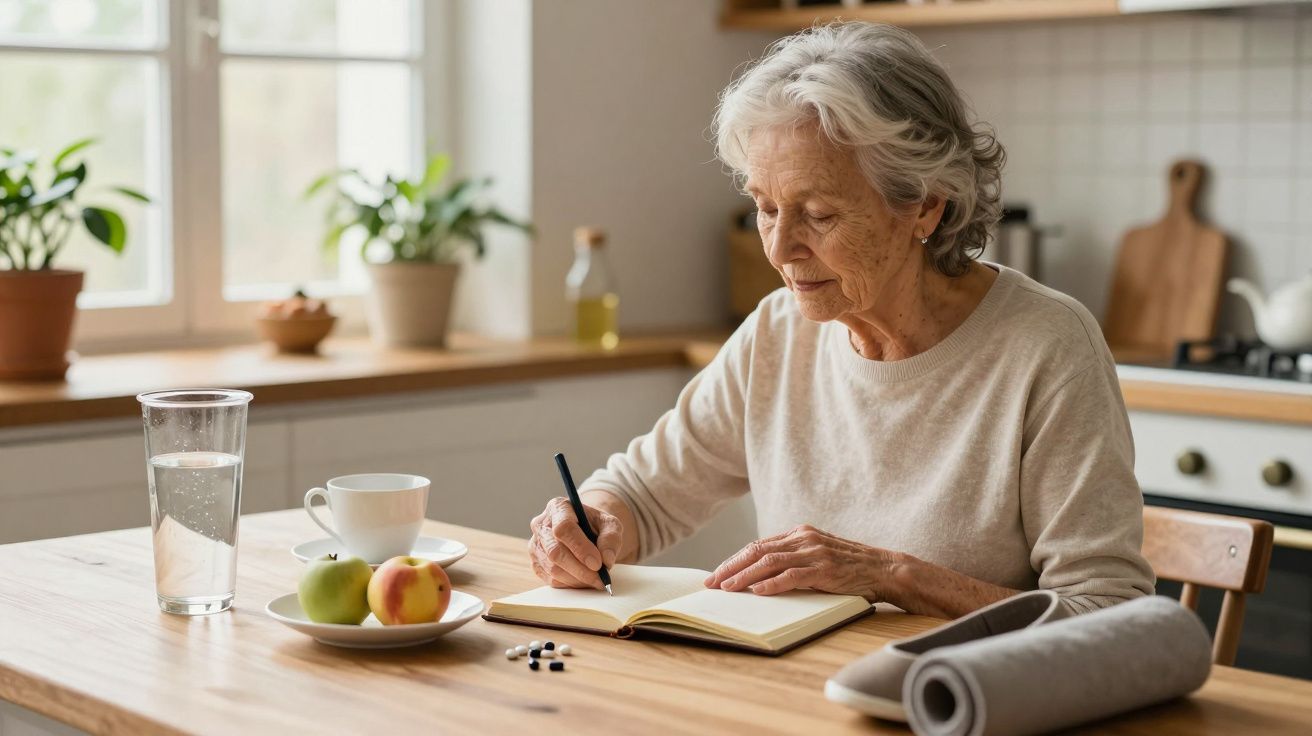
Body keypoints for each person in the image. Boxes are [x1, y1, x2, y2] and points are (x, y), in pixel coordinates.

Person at [528, 22, 1154, 618]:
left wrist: (891, 577)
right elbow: (642, 494)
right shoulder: (778, 331)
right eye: (765, 209)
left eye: (819, 214)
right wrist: (588, 523)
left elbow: (1108, 613)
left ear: (924, 207)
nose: (778, 249)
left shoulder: (1046, 346)